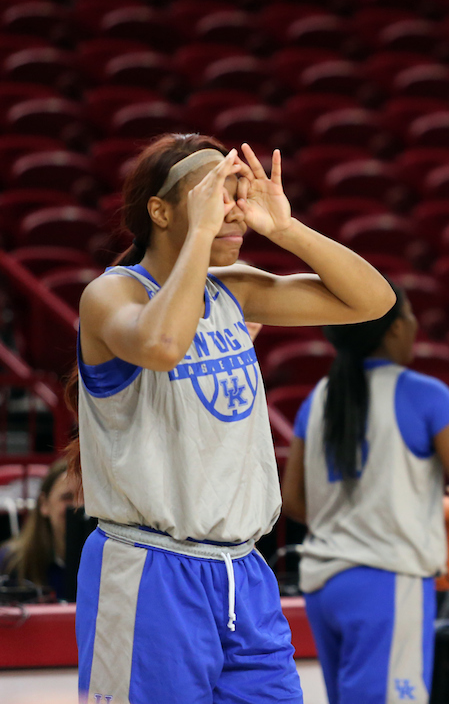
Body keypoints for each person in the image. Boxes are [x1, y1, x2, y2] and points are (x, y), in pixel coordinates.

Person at [71, 134, 395, 704]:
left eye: (238, 196)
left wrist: (286, 229)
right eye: (217, 196)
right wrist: (201, 231)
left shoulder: (234, 291)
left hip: (241, 571)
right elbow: (164, 344)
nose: (233, 212)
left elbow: (373, 301)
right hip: (151, 569)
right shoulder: (111, 295)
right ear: (161, 210)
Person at [279, 284, 449, 704]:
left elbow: (293, 501)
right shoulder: (425, 394)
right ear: (395, 329)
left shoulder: (318, 397)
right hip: (386, 580)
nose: (415, 326)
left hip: (324, 585)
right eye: (410, 316)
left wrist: (348, 522)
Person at [0, 459, 80, 601]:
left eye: (86, 498)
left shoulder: (109, 561)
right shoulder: (10, 562)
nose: (78, 506)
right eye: (67, 497)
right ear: (44, 504)